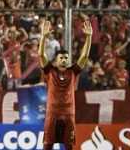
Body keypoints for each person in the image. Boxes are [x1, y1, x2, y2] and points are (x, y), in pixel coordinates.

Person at [39, 19, 92, 150]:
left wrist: (89, 37)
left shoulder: (73, 71)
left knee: (69, 147)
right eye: (61, 58)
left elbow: (84, 56)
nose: (64, 60)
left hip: (68, 114)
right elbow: (41, 54)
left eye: (66, 58)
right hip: (52, 114)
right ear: (56, 61)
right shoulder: (50, 71)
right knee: (47, 146)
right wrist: (43, 37)